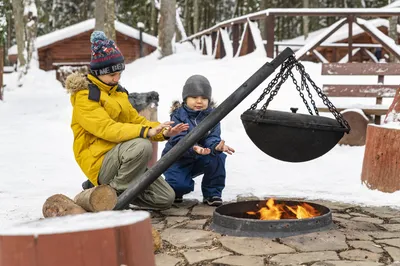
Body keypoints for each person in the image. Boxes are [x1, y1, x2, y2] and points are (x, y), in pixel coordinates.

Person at [65, 31, 189, 210]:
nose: (116, 79)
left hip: (125, 161)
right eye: (112, 75)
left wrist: (163, 131)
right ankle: (110, 196)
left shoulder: (118, 92)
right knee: (142, 145)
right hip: (100, 162)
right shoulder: (85, 96)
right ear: (99, 72)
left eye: (119, 74)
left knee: (165, 198)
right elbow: (107, 129)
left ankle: (102, 190)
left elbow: (135, 120)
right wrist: (146, 132)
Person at [161, 75, 235, 206]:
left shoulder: (213, 116)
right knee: (179, 186)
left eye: (204, 98)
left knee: (217, 156)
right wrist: (194, 147)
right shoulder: (178, 116)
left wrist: (216, 146)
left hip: (201, 156)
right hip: (178, 158)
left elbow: (212, 137)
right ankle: (176, 189)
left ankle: (212, 193)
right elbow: (179, 139)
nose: (199, 101)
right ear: (185, 98)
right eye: (194, 97)